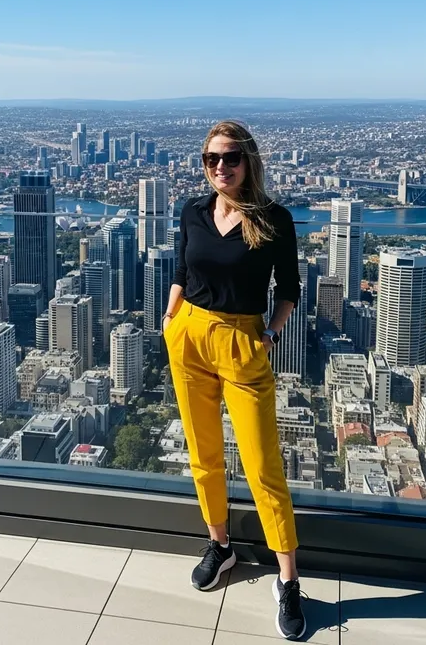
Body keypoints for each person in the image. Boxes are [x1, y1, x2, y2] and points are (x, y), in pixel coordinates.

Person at [163, 120, 306, 641]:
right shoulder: (193, 211)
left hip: (244, 343)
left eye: (229, 158)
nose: (219, 167)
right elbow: (182, 268)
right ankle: (220, 545)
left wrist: (270, 331)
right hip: (190, 338)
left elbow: (289, 287)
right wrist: (170, 316)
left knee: (264, 466)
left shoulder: (273, 220)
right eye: (210, 159)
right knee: (203, 455)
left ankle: (288, 580)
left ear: (249, 162)